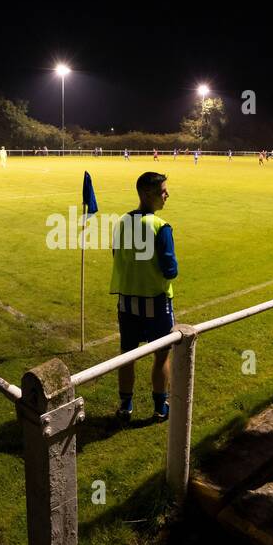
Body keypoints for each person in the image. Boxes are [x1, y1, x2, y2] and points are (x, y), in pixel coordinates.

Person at [109, 172, 178, 423]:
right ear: (147, 194)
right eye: (162, 191)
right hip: (156, 302)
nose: (166, 195)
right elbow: (171, 270)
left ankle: (125, 406)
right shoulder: (161, 227)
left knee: (127, 354)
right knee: (161, 355)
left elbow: (116, 255)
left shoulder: (122, 222)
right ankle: (160, 408)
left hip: (127, 301)